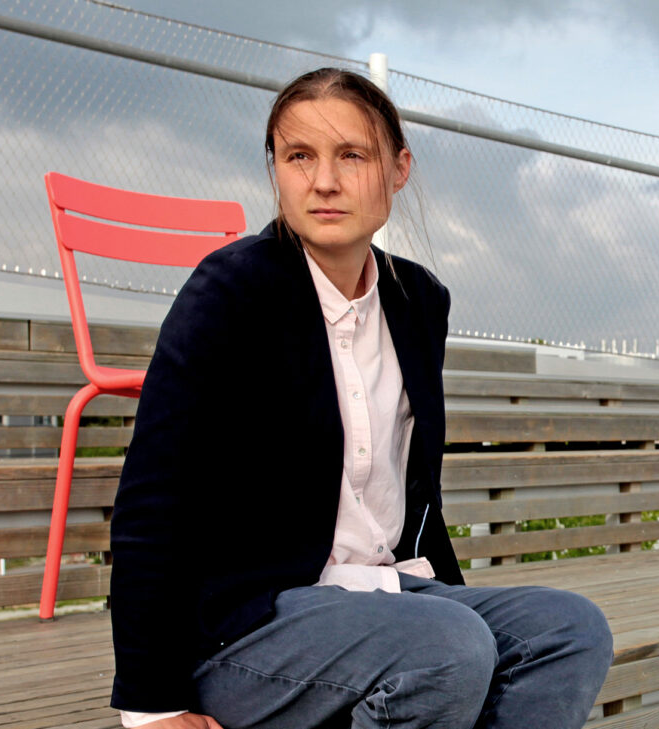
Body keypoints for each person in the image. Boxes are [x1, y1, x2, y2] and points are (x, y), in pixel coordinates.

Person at [110, 68, 613, 729]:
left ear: (398, 168)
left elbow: (415, 491)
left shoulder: (418, 301)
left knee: (570, 630)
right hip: (253, 625)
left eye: (352, 155)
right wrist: (151, 706)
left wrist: (447, 603)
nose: (323, 181)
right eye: (299, 157)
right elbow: (152, 499)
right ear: (276, 172)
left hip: (383, 592)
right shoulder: (230, 293)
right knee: (446, 648)